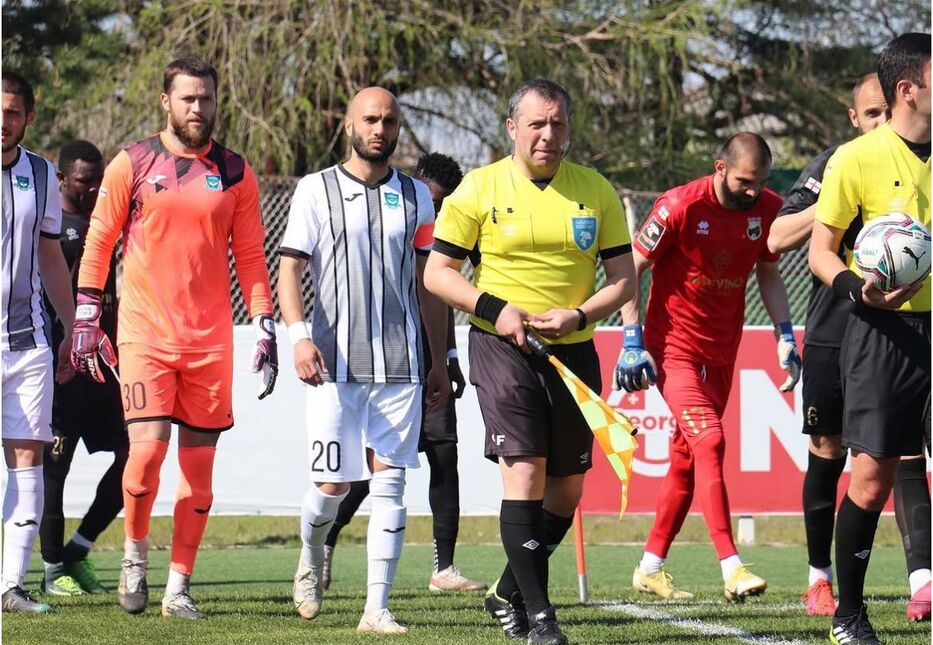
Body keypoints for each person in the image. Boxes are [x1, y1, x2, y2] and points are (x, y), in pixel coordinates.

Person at [425, 78, 637, 645]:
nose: (548, 134)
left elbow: (623, 280)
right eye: (537, 123)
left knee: (566, 491)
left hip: (572, 351)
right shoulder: (478, 188)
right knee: (524, 471)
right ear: (512, 127)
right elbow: (438, 274)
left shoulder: (595, 191)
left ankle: (505, 590)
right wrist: (498, 308)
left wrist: (579, 314)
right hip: (501, 348)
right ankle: (541, 618)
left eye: (558, 124)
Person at [71, 56, 278, 620]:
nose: (197, 108)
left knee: (200, 476)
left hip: (210, 343)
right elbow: (99, 240)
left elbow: (252, 258)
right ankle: (134, 559)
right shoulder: (133, 162)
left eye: (206, 98)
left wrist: (264, 321)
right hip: (144, 336)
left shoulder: (235, 171)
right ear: (166, 101)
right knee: (145, 455)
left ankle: (178, 587)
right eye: (187, 98)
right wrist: (88, 313)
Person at [277, 87, 451, 635]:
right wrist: (299, 338)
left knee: (391, 483)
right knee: (331, 487)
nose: (380, 128)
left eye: (389, 121)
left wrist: (440, 356)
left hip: (400, 365)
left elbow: (429, 283)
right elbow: (289, 270)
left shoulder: (417, 198)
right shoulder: (314, 190)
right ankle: (310, 556)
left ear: (399, 128)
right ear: (350, 124)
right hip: (332, 364)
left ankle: (376, 608)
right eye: (370, 119)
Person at [769, 72, 931, 621]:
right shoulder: (838, 163)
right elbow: (776, 238)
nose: (882, 122)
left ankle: (921, 580)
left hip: (906, 325)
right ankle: (820, 579)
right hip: (838, 332)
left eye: (887, 113)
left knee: (899, 454)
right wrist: (844, 198)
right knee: (830, 454)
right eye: (871, 115)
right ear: (854, 118)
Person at [620, 133, 799, 603]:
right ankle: (732, 566)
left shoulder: (768, 208)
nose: (752, 191)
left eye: (759, 183)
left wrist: (784, 334)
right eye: (743, 181)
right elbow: (632, 266)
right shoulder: (679, 206)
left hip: (724, 350)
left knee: (685, 458)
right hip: (673, 349)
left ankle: (650, 568)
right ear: (720, 168)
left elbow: (768, 271)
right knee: (710, 440)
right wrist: (632, 339)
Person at [809, 33, 931, 645]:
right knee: (871, 477)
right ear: (909, 88)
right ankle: (849, 614)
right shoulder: (855, 159)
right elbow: (820, 253)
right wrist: (861, 290)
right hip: (884, 331)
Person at [320, 152, 484, 594]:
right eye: (432, 198)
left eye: (444, 203)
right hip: (388, 363)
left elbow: (440, 297)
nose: (436, 209)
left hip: (427, 362)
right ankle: (327, 542)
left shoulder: (442, 235)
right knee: (376, 470)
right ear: (416, 187)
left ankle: (444, 568)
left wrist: (448, 356)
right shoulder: (395, 222)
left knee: (445, 454)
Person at [39, 140, 128, 597]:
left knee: (133, 457)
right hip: (62, 369)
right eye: (83, 181)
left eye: (98, 180)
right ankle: (52, 570)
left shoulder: (108, 225)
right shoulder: (53, 229)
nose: (93, 188)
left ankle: (78, 549)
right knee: (55, 469)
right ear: (61, 181)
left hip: (105, 370)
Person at [1, 70, 75, 613]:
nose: (2, 120)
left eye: (12, 111)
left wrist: (74, 324)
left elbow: (50, 255)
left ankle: (12, 586)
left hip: (28, 345)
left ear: (28, 116)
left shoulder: (44, 176)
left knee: (28, 460)